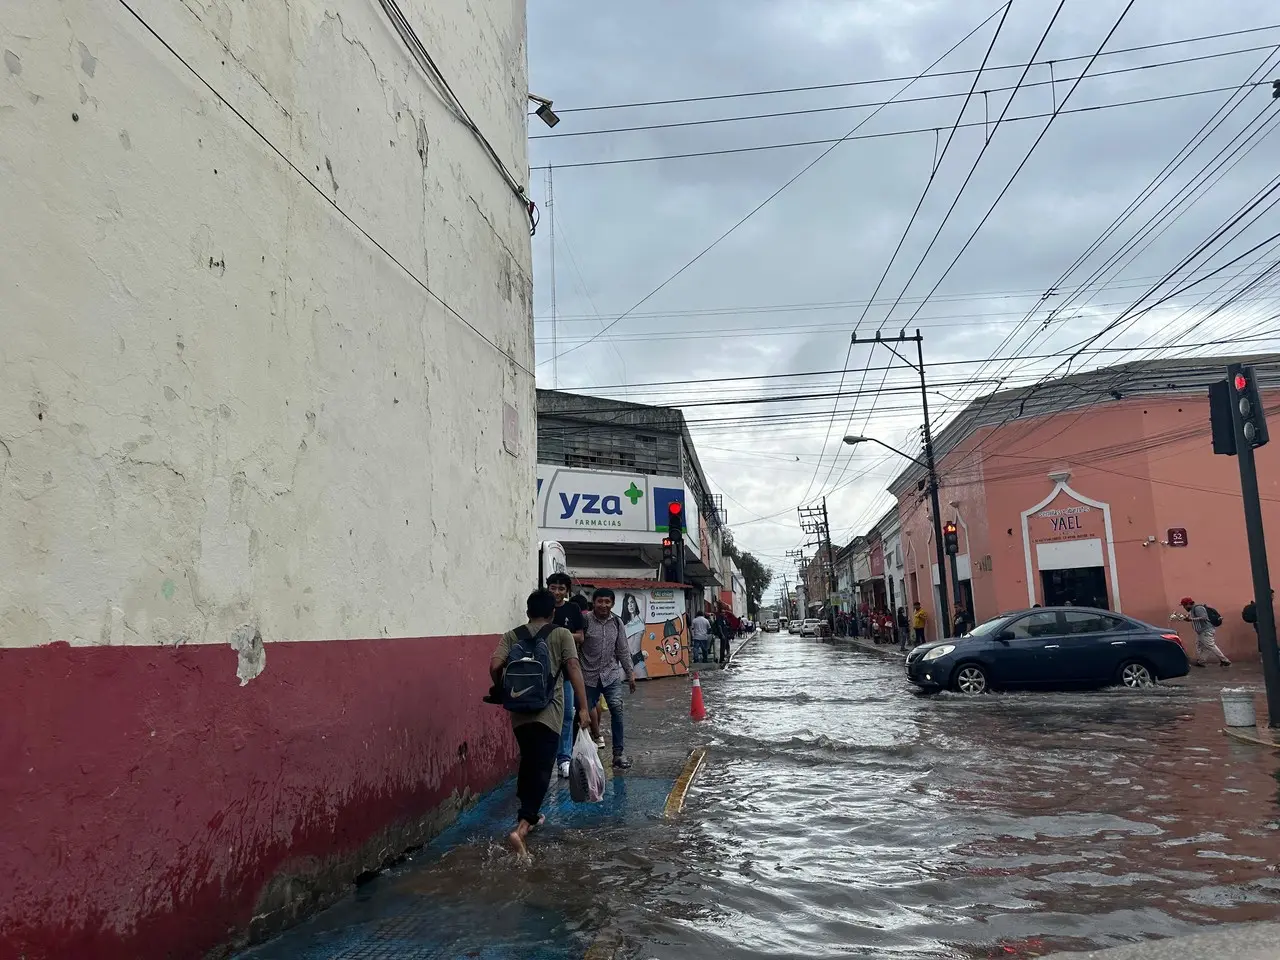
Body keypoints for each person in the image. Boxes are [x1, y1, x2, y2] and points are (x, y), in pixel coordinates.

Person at [490, 589, 591, 857]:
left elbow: (494, 664)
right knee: (543, 766)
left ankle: (530, 817)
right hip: (549, 711)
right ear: (553, 612)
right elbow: (573, 667)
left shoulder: (512, 635)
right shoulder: (561, 634)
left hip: (519, 711)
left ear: (527, 612)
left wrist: (500, 688)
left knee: (528, 760)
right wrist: (583, 707)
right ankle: (522, 827)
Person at [580, 588, 637, 768]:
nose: (603, 605)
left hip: (610, 674)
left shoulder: (617, 623)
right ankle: (580, 755)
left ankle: (618, 755)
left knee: (617, 710)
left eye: (607, 602)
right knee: (581, 715)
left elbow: (622, 649)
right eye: (600, 601)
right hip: (587, 675)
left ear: (612, 603)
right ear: (594, 602)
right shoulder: (585, 621)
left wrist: (630, 673)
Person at [546, 572, 585, 779]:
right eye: (553, 588)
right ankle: (546, 758)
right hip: (547, 672)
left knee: (568, 715)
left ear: (567, 591)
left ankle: (564, 759)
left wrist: (562, 636)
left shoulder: (573, 609)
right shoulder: (542, 606)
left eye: (561, 589)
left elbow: (581, 636)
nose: (557, 592)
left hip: (568, 671)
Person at [1173, 596, 1231, 668]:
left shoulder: (1198, 608)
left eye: (1184, 605)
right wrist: (1188, 619)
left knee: (1210, 645)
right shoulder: (1193, 610)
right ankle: (1201, 661)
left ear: (1188, 604)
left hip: (1206, 630)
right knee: (1202, 646)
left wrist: (1191, 619)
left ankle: (1225, 660)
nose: (1184, 607)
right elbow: (1196, 619)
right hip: (1201, 632)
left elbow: (1204, 617)